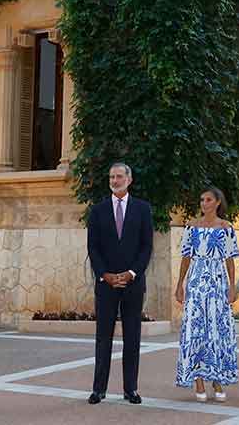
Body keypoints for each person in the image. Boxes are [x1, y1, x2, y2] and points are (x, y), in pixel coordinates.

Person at [86, 162, 154, 405]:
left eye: (119, 176)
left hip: (133, 285)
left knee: (132, 338)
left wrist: (132, 273)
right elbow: (93, 248)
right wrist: (105, 275)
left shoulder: (143, 210)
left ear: (129, 179)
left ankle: (130, 390)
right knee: (103, 338)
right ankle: (98, 390)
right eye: (111, 177)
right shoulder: (97, 211)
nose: (114, 181)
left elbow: (147, 247)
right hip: (106, 285)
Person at [175, 187, 239, 401]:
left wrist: (232, 287)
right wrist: (179, 285)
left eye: (208, 199)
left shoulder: (226, 228)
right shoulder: (191, 227)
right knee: (196, 329)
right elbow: (185, 258)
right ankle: (198, 380)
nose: (204, 203)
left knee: (216, 329)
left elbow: (230, 260)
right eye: (202, 200)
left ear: (217, 202)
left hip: (218, 282)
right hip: (196, 283)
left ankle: (217, 379)